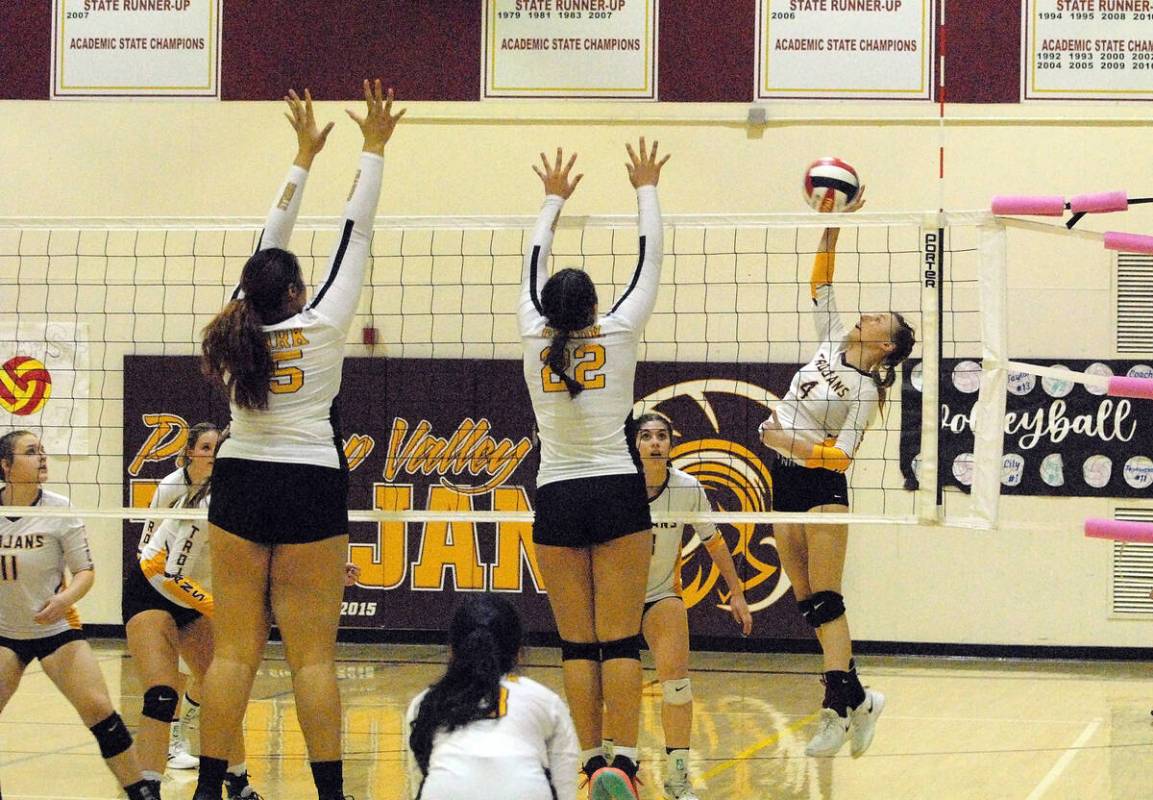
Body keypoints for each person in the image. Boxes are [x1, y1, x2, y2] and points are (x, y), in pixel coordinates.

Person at [193, 80, 404, 800]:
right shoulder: (322, 324)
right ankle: (332, 796)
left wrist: (300, 159)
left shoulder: (236, 323)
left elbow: (266, 240)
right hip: (310, 479)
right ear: (294, 294)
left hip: (242, 477)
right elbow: (358, 229)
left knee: (233, 657)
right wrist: (371, 149)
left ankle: (206, 790)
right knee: (313, 660)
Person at [519, 139, 669, 800]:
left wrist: (552, 197)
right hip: (615, 489)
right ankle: (626, 764)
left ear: (548, 307)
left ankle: (587, 761)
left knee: (577, 646)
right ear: (593, 304)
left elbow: (530, 257)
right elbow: (652, 255)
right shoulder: (619, 329)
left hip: (556, 494)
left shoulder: (531, 333)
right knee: (620, 641)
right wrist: (644, 186)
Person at [757, 190, 916, 758]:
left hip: (821, 486)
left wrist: (785, 438)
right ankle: (862, 699)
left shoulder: (868, 390)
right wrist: (833, 227)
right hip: (783, 478)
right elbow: (820, 283)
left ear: (887, 344)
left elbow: (842, 457)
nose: (866, 314)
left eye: (879, 318)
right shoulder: (830, 339)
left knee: (826, 598)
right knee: (805, 602)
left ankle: (834, 709)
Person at [0, 430, 157, 800]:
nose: (42, 458)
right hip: (5, 632)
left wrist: (64, 599)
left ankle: (143, 794)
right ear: (5, 465)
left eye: (42, 451)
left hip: (56, 628)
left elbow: (85, 572)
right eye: (30, 452)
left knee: (100, 710)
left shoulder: (59, 508)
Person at [124, 423, 261, 798]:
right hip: (152, 588)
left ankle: (239, 781)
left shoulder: (247, 499)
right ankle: (147, 786)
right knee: (163, 694)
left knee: (223, 691)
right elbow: (169, 572)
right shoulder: (200, 500)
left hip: (192, 595)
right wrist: (218, 607)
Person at [633, 412, 752, 799]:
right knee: (611, 686)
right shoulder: (617, 487)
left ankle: (678, 778)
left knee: (678, 688)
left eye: (661, 436)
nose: (654, 443)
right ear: (635, 445)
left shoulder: (687, 488)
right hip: (617, 597)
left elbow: (713, 542)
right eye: (646, 436)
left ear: (670, 444)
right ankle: (612, 768)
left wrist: (736, 592)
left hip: (661, 595)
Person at [404, 593, 579, 800]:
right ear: (519, 653)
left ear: (452, 650)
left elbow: (421, 782)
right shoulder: (547, 701)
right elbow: (564, 786)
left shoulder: (426, 701)